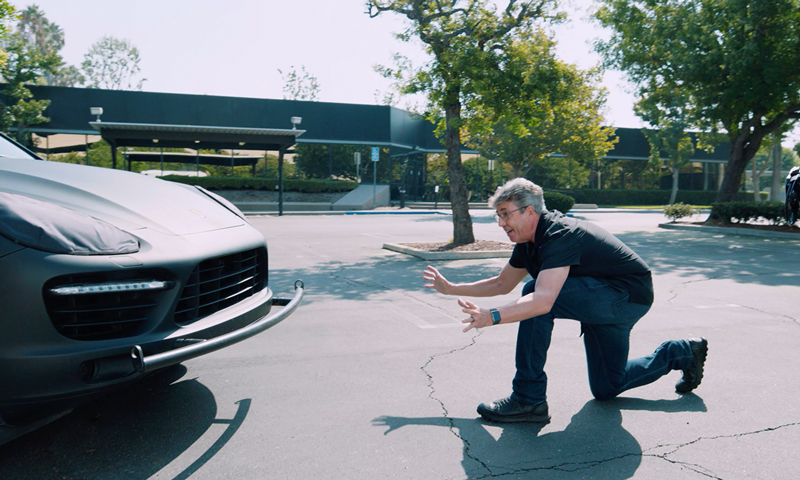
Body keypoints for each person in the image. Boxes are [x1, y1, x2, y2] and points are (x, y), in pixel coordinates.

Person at [422, 178, 708, 423]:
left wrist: (492, 316)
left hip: (625, 297)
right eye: (498, 215)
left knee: (535, 293)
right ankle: (681, 352)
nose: (501, 223)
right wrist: (451, 288)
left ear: (529, 211)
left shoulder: (558, 234)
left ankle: (528, 398)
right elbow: (501, 283)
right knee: (607, 387)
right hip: (601, 301)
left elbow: (543, 302)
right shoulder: (527, 241)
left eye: (506, 214)